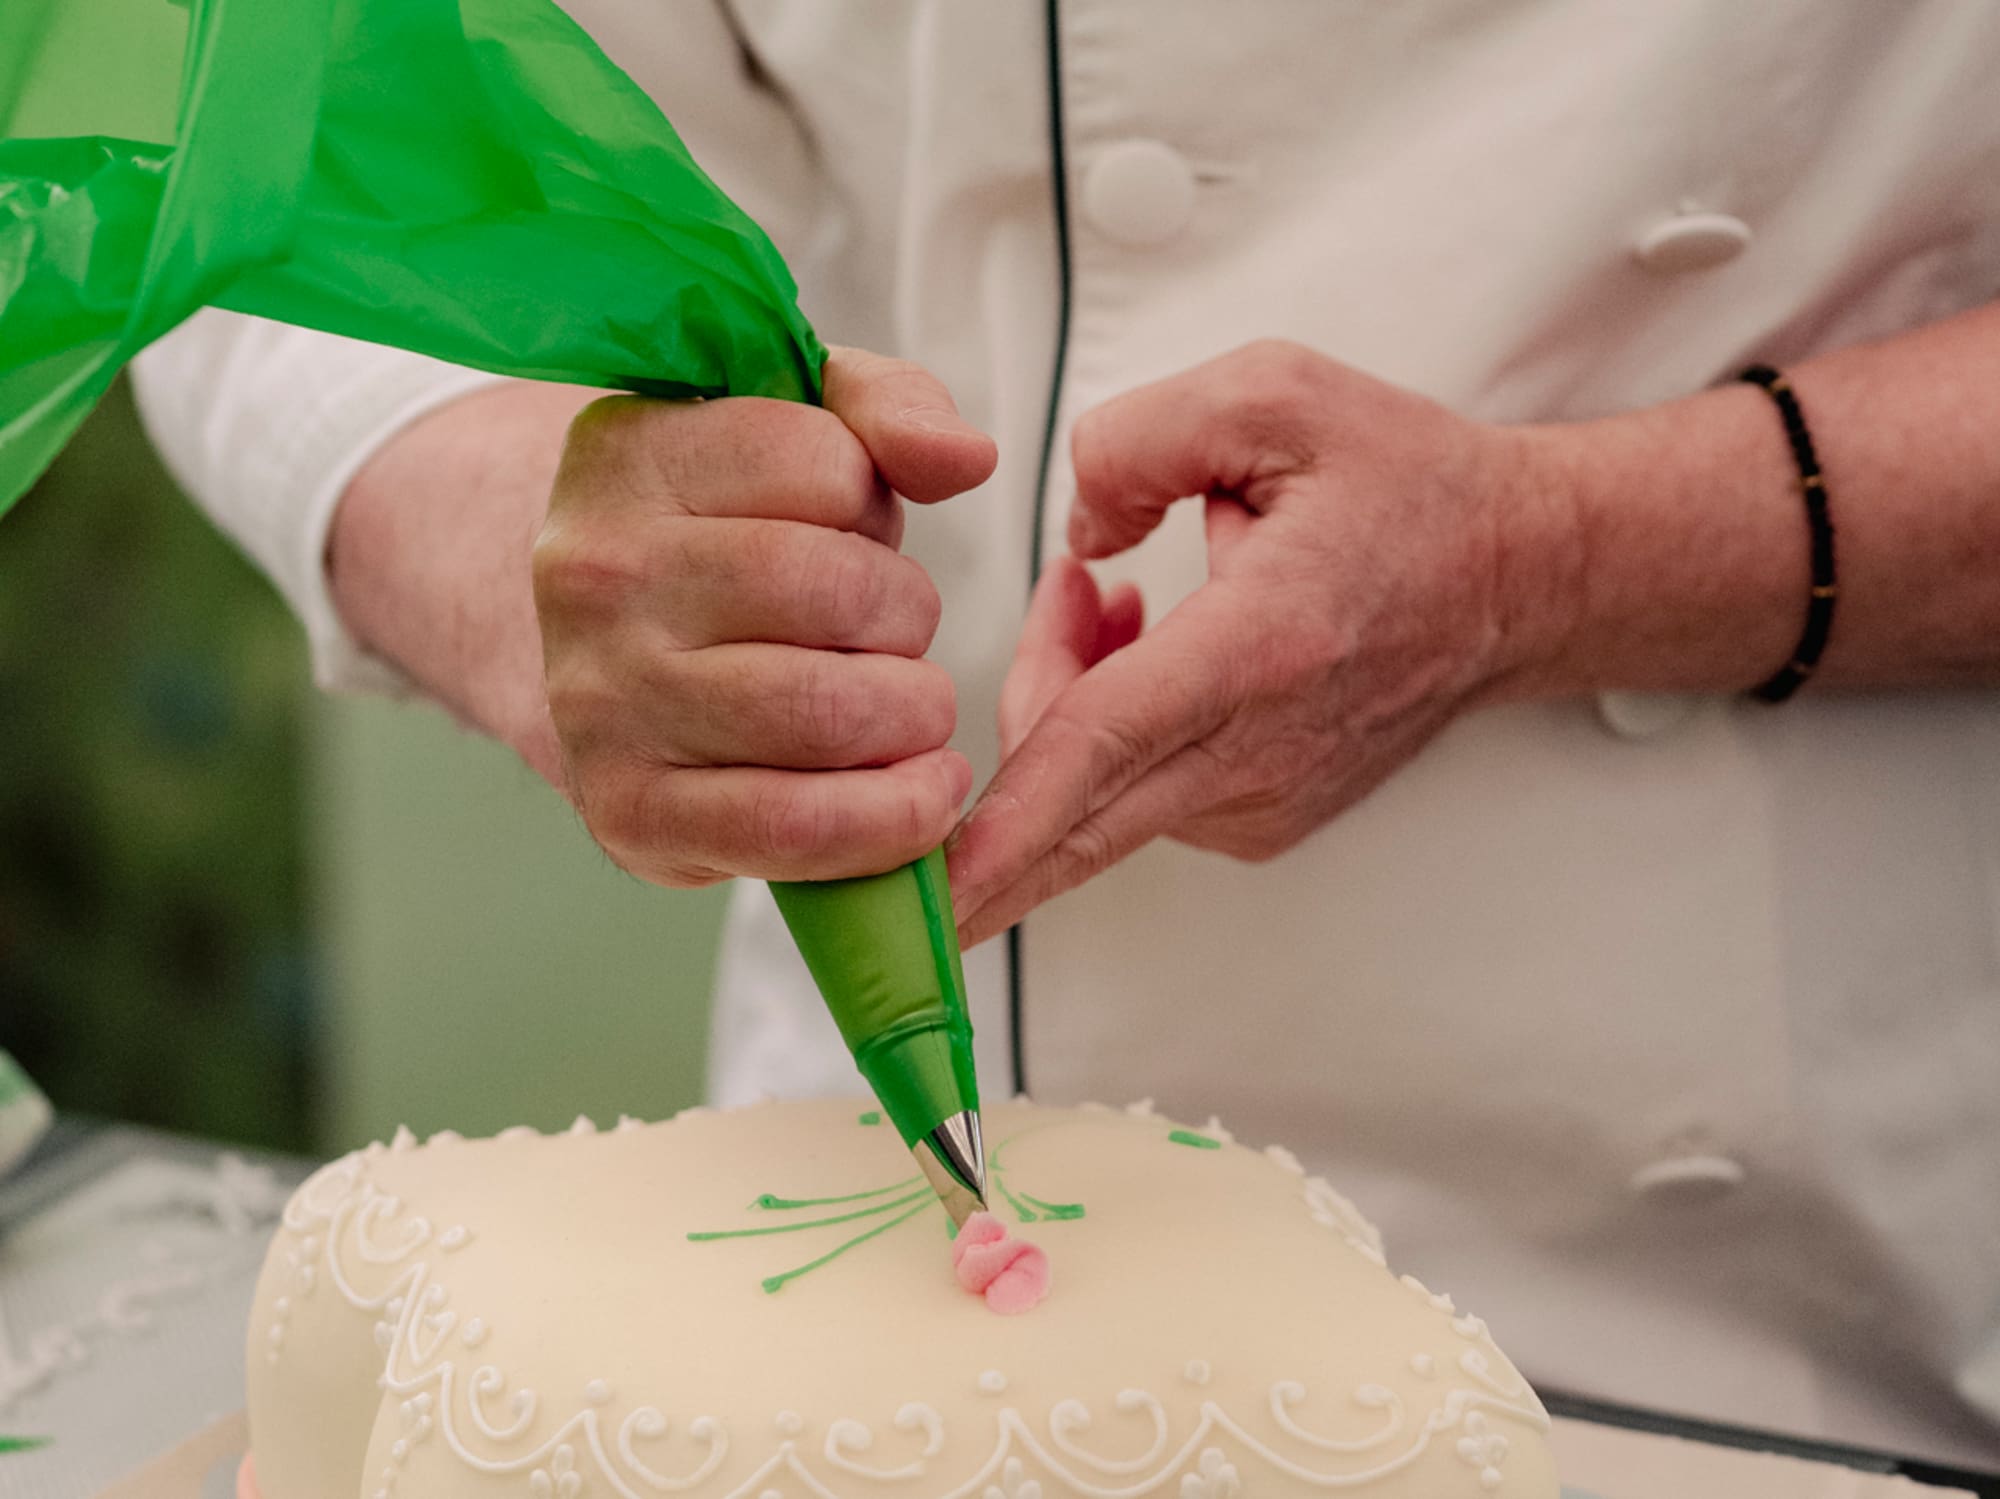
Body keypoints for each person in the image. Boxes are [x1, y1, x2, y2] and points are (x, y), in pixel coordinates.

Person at [132, 1, 2000, 1467]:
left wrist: (1565, 558)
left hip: (1833, 1291)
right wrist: (526, 545)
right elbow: (270, 140)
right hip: (850, 1318)